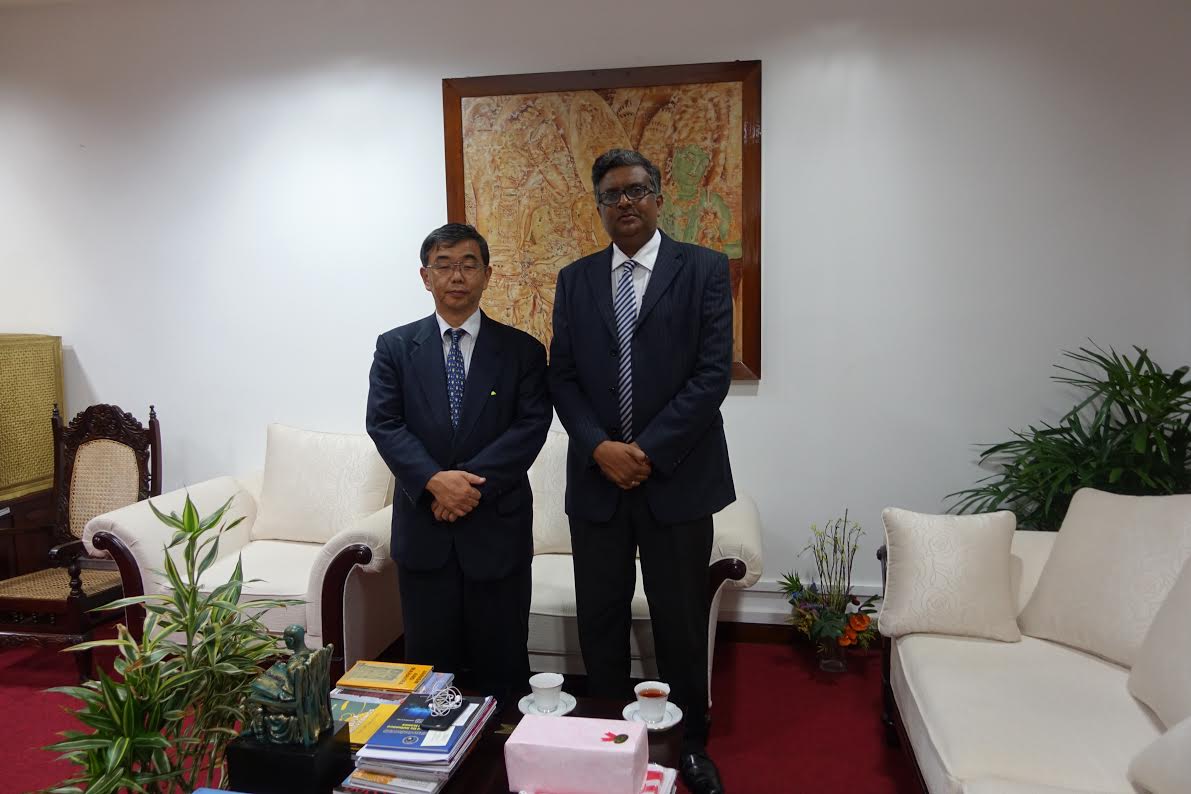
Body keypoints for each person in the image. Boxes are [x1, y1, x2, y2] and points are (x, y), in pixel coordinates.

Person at [548, 150, 735, 794]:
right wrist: (600, 447)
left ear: (658, 197)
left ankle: (689, 744)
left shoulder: (703, 269)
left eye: (635, 190)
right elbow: (562, 377)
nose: (624, 202)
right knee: (600, 618)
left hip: (678, 479)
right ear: (599, 207)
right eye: (611, 195)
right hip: (596, 481)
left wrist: (645, 452)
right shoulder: (575, 279)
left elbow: (711, 375)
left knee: (678, 620)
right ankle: (609, 737)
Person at [367, 223, 551, 704]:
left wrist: (466, 489)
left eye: (469, 265)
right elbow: (384, 423)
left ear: (487, 275)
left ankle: (503, 745)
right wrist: (434, 481)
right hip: (425, 533)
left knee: (503, 668)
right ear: (425, 276)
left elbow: (530, 428)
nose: (456, 276)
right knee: (430, 673)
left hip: (497, 532)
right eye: (444, 265)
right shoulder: (394, 348)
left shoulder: (524, 351)